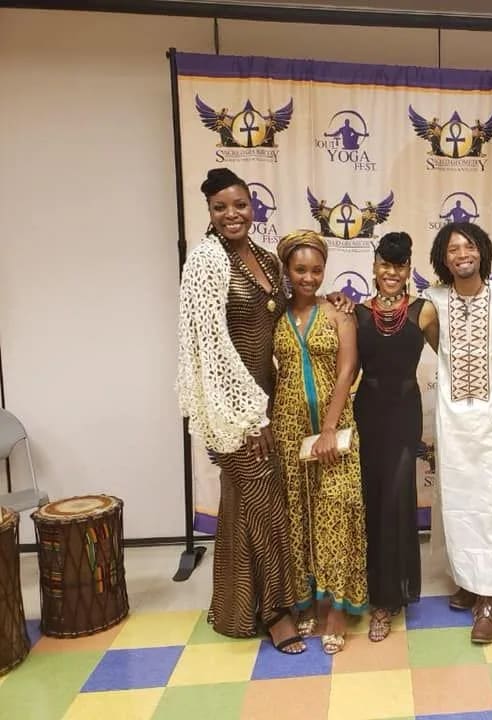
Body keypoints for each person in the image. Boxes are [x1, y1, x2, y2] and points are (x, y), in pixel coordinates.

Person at [176, 168, 304, 654]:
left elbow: (288, 314)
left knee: (243, 505)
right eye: (220, 207)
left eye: (240, 205)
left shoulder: (267, 260)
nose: (232, 215)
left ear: (253, 207)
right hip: (231, 410)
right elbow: (211, 346)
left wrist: (332, 302)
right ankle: (276, 612)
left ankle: (236, 609)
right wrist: (250, 417)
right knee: (265, 505)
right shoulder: (206, 261)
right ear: (209, 212)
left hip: (268, 402)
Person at [422, 222, 492, 644]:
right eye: (453, 249)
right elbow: (429, 338)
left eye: (469, 246)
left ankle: (491, 598)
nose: (462, 254)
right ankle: (468, 579)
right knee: (458, 503)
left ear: (482, 251)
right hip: (453, 421)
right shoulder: (433, 301)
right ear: (443, 259)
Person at [272, 229, 367, 656]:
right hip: (288, 427)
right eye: (300, 270)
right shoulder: (275, 315)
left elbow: (347, 370)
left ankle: (337, 612)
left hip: (336, 428)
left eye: (316, 270)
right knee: (299, 517)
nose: (309, 278)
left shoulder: (338, 313)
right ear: (287, 271)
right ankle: (306, 601)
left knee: (337, 514)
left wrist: (329, 428)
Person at [354, 231, 439, 641]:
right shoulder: (356, 312)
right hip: (367, 413)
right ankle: (368, 590)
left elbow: (453, 360)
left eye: (399, 265)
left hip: (404, 414)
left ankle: (389, 599)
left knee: (395, 501)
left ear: (408, 269)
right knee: (371, 501)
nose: (391, 272)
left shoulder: (424, 311)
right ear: (374, 267)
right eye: (385, 264)